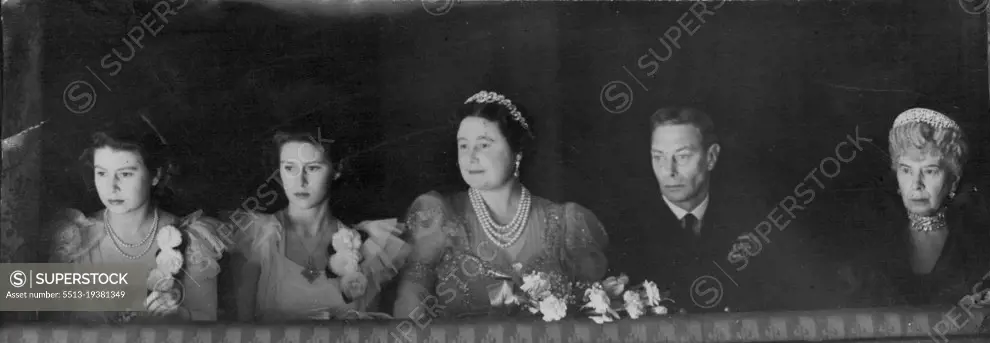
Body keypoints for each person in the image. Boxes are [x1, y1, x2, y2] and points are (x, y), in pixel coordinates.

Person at [393, 90, 609, 319]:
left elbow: (592, 317)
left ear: (517, 152)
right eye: (463, 146)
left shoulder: (566, 223)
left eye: (484, 145)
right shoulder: (438, 216)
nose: (470, 157)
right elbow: (409, 306)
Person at [608, 106, 839, 313]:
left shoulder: (753, 217)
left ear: (711, 157)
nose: (669, 170)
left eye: (683, 156)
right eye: (658, 157)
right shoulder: (626, 227)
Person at [226, 123, 409, 322]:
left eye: (312, 168)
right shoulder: (257, 237)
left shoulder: (368, 244)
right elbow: (239, 331)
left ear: (337, 170)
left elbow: (368, 332)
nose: (300, 181)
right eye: (289, 168)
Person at [47, 125, 227, 323]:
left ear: (155, 175)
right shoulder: (74, 239)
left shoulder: (191, 239)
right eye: (101, 173)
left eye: (125, 174)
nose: (111, 187)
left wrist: (179, 314)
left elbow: (208, 326)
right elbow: (52, 329)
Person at [850, 107, 990, 306]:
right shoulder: (872, 241)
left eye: (930, 171)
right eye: (906, 170)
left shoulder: (979, 244)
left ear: (954, 180)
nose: (916, 184)